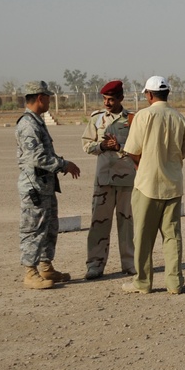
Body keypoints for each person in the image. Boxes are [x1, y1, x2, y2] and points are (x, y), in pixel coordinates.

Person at [120, 75, 185, 294]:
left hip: (147, 185)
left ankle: (142, 282)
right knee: (172, 236)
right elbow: (184, 152)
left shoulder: (143, 116)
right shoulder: (180, 118)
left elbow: (132, 150)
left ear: (149, 95)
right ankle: (174, 282)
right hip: (173, 184)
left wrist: (143, 167)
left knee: (142, 236)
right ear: (167, 93)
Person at [16, 80, 81, 290]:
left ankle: (46, 266)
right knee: (33, 229)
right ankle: (30, 272)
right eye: (49, 97)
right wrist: (64, 165)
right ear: (40, 98)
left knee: (49, 227)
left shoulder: (37, 121)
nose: (50, 101)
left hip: (44, 186)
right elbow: (38, 157)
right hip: (34, 188)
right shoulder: (28, 124)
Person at [81, 80, 136, 280]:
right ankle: (95, 264)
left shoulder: (131, 120)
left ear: (121, 98)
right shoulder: (97, 120)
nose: (107, 103)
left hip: (127, 180)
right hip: (103, 180)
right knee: (99, 223)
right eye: (105, 99)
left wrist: (119, 146)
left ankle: (130, 264)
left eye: (111, 99)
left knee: (127, 224)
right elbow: (87, 144)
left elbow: (139, 147)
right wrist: (102, 147)